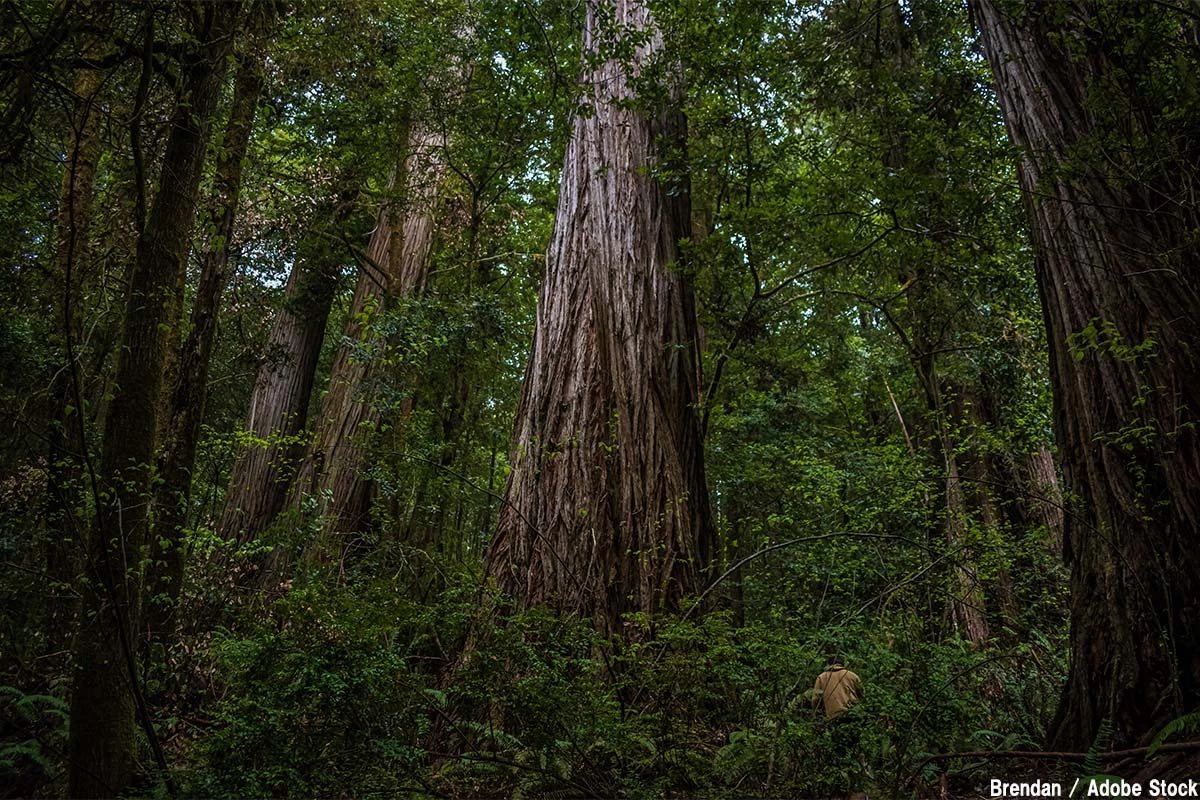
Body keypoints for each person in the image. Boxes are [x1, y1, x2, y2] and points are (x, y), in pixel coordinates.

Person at [812, 655, 862, 721]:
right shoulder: (852, 675)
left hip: (832, 717)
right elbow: (862, 694)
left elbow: (815, 699)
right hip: (852, 714)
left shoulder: (822, 677)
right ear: (842, 664)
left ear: (829, 664)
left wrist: (816, 715)